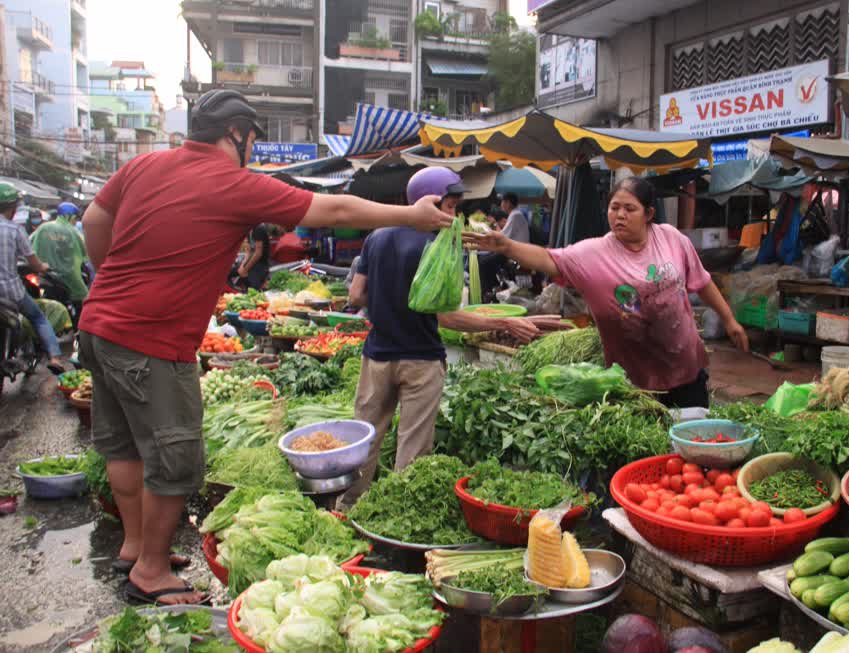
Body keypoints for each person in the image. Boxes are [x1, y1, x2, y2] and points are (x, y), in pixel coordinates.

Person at [77, 88, 452, 606]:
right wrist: (412, 216)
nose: (251, 146)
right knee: (176, 455)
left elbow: (94, 221)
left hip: (98, 326)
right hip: (152, 337)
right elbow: (331, 207)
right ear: (238, 134)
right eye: (252, 137)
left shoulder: (144, 165)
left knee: (124, 447)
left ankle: (136, 547)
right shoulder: (234, 183)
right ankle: (151, 571)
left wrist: (113, 284)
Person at [338, 167, 540, 508]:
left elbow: (356, 296)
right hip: (420, 360)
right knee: (413, 450)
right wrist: (505, 325)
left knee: (366, 440)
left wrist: (391, 298)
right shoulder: (437, 244)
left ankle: (348, 509)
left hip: (377, 357)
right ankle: (397, 515)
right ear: (428, 201)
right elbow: (446, 316)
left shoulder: (378, 235)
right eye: (449, 205)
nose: (454, 214)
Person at [464, 176, 749, 409]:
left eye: (629, 208)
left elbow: (701, 281)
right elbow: (549, 258)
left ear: (649, 213)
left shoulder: (672, 239)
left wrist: (729, 320)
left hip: (686, 366)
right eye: (615, 208)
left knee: (693, 449)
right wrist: (507, 247)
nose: (620, 216)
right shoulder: (593, 253)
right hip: (635, 379)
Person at [0, 184, 66, 374]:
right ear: (13, 209)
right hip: (11, 292)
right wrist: (43, 266)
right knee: (38, 318)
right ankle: (55, 357)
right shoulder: (15, 230)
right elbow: (34, 263)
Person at [30, 202, 90, 306]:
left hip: (43, 273)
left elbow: (28, 242)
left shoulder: (44, 227)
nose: (75, 222)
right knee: (83, 296)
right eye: (75, 219)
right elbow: (85, 251)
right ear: (71, 217)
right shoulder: (73, 231)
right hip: (68, 275)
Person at [237, 223, 270, 289]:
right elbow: (249, 251)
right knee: (232, 271)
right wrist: (242, 266)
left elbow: (258, 253)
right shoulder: (249, 230)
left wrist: (245, 269)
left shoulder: (258, 229)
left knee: (253, 287)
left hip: (261, 264)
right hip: (252, 261)